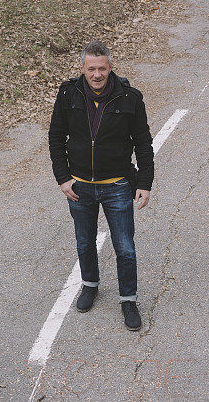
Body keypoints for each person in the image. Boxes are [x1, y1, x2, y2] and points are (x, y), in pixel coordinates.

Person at [48, 40, 154, 331]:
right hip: (79, 185)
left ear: (111, 68)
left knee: (125, 248)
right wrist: (63, 177)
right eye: (91, 68)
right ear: (82, 68)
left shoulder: (130, 98)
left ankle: (128, 300)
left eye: (102, 69)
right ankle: (90, 285)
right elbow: (56, 137)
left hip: (117, 185)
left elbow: (143, 143)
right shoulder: (68, 93)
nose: (97, 74)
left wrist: (144, 182)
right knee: (84, 242)